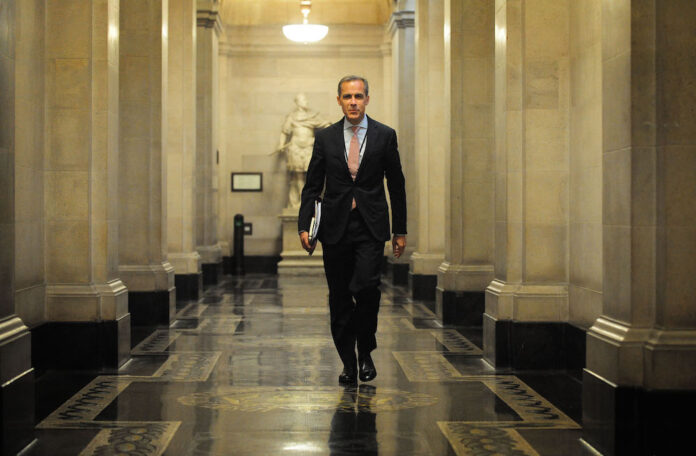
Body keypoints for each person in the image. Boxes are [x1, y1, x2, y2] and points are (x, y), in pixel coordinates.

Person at [298, 75, 407, 384]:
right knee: (340, 296)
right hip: (335, 228)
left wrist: (400, 230)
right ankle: (348, 360)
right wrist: (305, 226)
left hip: (370, 226)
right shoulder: (326, 137)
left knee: (368, 288)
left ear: (367, 100)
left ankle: (366, 350)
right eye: (347, 97)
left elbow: (396, 186)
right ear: (339, 101)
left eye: (359, 96)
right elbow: (312, 186)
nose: (353, 102)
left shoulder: (385, 135)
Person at [275, 93, 331, 209]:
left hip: (309, 148)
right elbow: (285, 132)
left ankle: (309, 200)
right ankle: (301, 200)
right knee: (298, 176)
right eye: (304, 100)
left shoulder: (313, 116)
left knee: (311, 175)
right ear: (298, 102)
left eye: (306, 100)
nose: (306, 102)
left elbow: (327, 125)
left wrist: (321, 140)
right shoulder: (292, 117)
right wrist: (281, 144)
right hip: (295, 148)